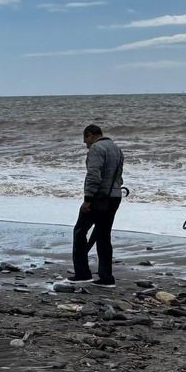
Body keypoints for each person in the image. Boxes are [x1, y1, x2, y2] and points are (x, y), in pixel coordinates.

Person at [71, 123, 124, 287]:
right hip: (115, 195)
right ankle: (106, 277)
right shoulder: (116, 149)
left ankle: (82, 273)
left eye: (86, 140)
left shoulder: (96, 149)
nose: (86, 145)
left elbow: (94, 174)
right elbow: (119, 176)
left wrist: (87, 200)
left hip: (99, 197)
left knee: (80, 231)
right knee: (103, 236)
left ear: (90, 135)